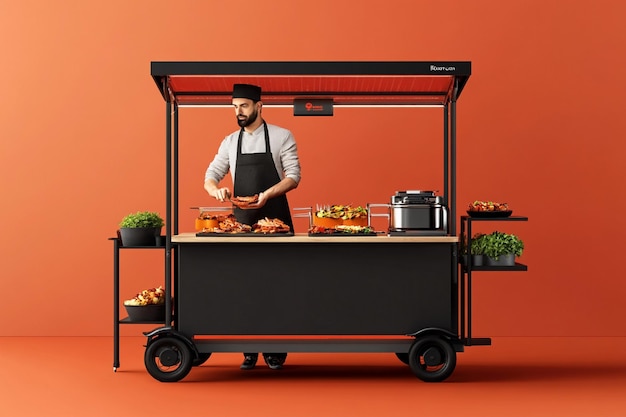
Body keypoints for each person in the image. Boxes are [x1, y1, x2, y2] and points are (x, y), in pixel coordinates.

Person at [204, 83, 301, 370]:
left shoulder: (283, 136)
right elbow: (211, 175)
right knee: (243, 285)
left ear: (259, 106)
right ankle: (247, 348)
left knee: (277, 285)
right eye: (235, 107)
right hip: (241, 224)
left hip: (276, 221)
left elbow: (294, 176)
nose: (239, 112)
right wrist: (215, 190)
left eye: (244, 106)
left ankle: (275, 348)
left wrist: (268, 194)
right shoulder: (230, 141)